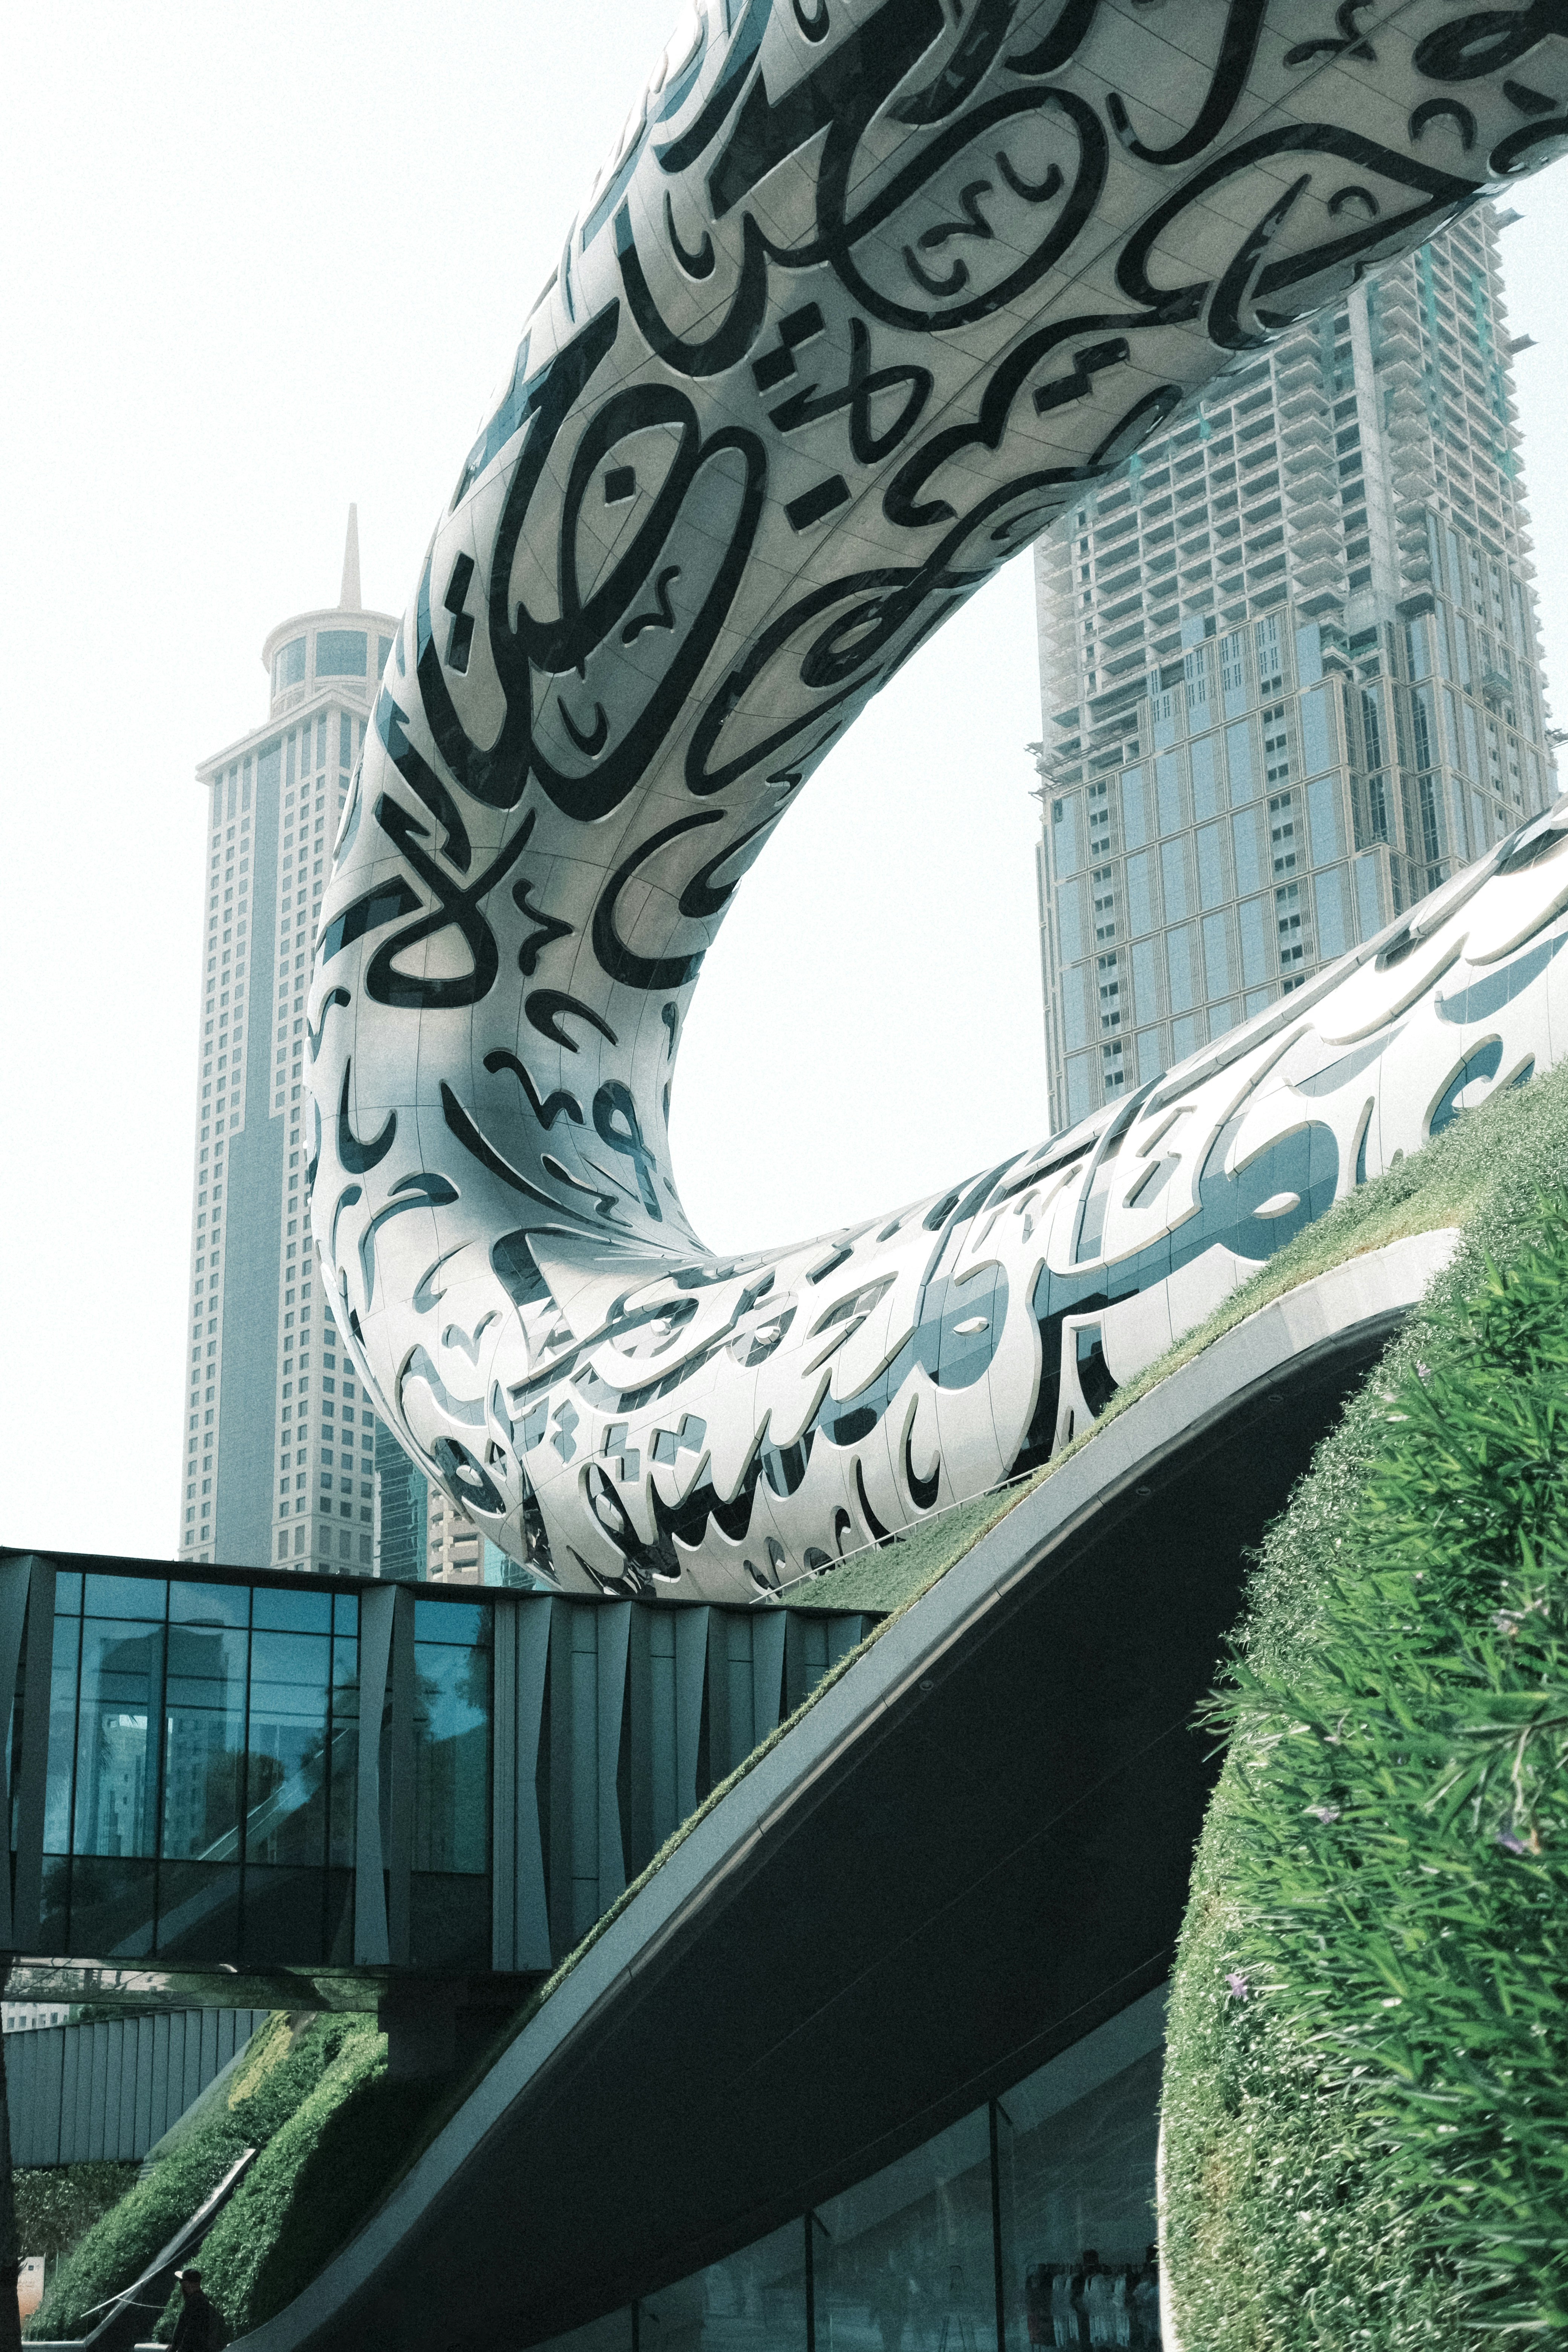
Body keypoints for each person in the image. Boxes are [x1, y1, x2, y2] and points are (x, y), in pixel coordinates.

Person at [170, 2265, 224, 2352]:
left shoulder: (196, 2304)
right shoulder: (201, 2300)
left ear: (187, 2285)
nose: (181, 2287)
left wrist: (180, 2350)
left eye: (182, 2282)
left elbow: (191, 2334)